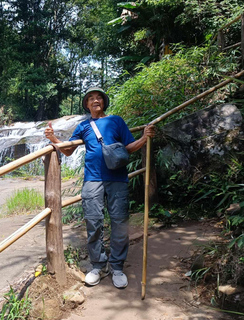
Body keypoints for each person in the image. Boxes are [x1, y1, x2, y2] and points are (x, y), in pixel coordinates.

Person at [44, 87, 155, 289]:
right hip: (92, 180)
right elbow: (68, 151)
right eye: (91, 98)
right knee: (93, 222)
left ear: (104, 102)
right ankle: (97, 265)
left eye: (99, 98)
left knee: (120, 222)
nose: (95, 100)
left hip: (118, 179)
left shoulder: (116, 121)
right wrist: (53, 139)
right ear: (86, 104)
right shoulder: (83, 126)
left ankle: (117, 266)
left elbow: (128, 146)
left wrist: (144, 138)